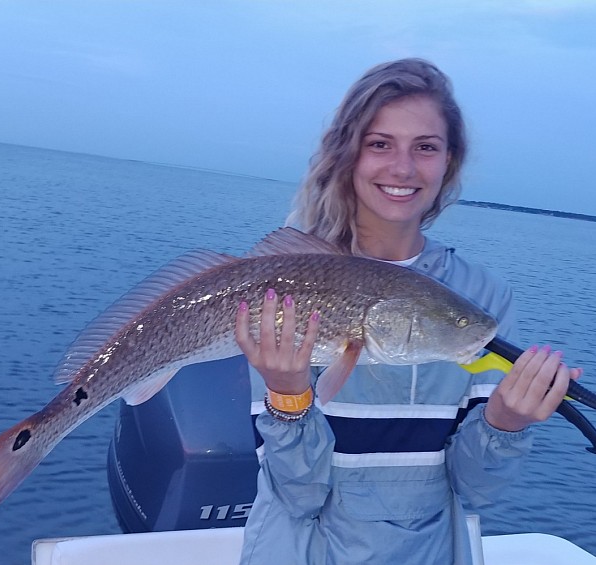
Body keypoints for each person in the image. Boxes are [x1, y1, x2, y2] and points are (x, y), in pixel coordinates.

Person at [234, 58, 582, 565]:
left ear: (449, 162)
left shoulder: (480, 296)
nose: (403, 168)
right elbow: (300, 494)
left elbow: (475, 490)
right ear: (347, 153)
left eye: (425, 147)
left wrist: (504, 423)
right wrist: (288, 399)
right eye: (380, 144)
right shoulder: (292, 281)